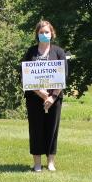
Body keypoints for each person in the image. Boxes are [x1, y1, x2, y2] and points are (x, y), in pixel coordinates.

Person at [23, 20, 67, 172]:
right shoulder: (31, 52)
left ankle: (51, 162)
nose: (44, 34)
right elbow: (25, 75)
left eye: (46, 32)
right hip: (34, 98)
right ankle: (37, 163)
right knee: (36, 129)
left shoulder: (59, 52)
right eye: (41, 32)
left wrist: (52, 97)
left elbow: (63, 76)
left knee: (52, 129)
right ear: (37, 34)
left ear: (52, 33)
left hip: (54, 98)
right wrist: (40, 92)